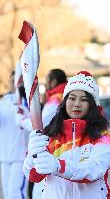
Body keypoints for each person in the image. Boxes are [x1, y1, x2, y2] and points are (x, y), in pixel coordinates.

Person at [23, 71, 110, 199]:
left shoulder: (103, 137)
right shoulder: (51, 134)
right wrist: (32, 155)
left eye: (84, 99)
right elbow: (34, 176)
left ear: (92, 105)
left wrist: (59, 166)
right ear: (65, 101)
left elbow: (94, 170)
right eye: (72, 98)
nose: (77, 104)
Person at [18, 69, 67, 199]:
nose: (45, 84)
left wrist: (22, 120)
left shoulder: (55, 100)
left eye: (47, 81)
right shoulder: (64, 96)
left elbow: (40, 126)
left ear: (54, 81)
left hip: (51, 149)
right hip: (62, 147)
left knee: (39, 191)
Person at [0, 71, 28, 199]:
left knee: (16, 192)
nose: (14, 84)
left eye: (17, 81)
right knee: (7, 191)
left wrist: (24, 100)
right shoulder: (1, 103)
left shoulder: (28, 102)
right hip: (4, 155)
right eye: (12, 81)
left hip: (21, 155)